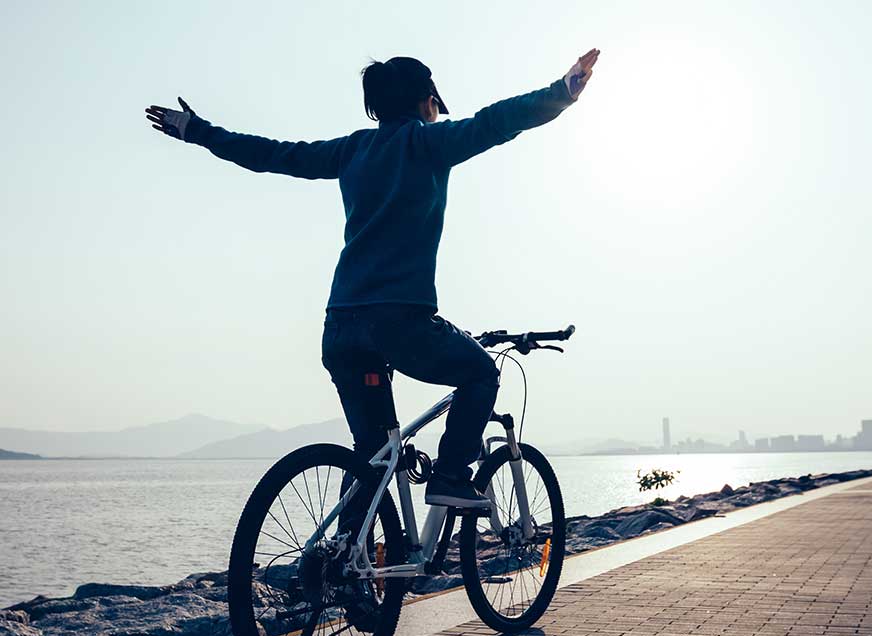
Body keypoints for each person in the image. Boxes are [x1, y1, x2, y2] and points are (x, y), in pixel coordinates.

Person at [146, 49, 598, 510]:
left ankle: (342, 566)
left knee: (374, 458)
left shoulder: (352, 149)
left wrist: (196, 131)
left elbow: (272, 154)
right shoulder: (427, 143)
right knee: (480, 373)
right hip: (399, 321)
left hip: (341, 327)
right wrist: (561, 92)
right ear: (427, 102)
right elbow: (494, 122)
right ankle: (450, 476)